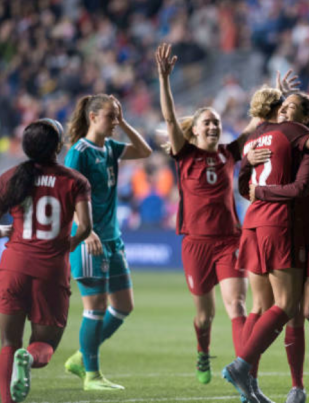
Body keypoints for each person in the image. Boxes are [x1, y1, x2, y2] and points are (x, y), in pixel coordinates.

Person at [223, 86, 309, 403]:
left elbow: (242, 184)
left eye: (293, 106)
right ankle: (245, 369)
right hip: (280, 223)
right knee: (290, 307)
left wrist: (249, 164)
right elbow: (299, 187)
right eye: (284, 104)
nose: (287, 110)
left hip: (263, 222)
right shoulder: (289, 134)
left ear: (308, 117)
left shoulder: (259, 137)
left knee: (271, 308)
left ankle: (262, 385)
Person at [156, 43, 261, 385]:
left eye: (216, 123)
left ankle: (245, 376)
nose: (214, 128)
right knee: (205, 316)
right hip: (195, 244)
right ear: (196, 130)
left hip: (230, 240)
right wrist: (164, 79)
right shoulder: (183, 154)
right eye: (208, 124)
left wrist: (272, 100)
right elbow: (170, 118)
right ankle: (203, 352)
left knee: (238, 307)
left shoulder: (230, 154)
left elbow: (253, 124)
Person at [63, 94, 152, 391]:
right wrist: (85, 231)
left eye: (117, 116)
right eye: (110, 116)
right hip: (90, 239)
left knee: (124, 305)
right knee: (96, 307)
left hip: (114, 239)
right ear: (92, 117)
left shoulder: (110, 148)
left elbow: (145, 150)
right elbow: (68, 197)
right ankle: (92, 375)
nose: (114, 121)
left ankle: (81, 356)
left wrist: (125, 122)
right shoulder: (79, 152)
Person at [0, 120, 93, 403]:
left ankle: (5, 400)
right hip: (51, 269)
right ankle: (27, 359)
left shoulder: (11, 176)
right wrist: (71, 244)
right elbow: (86, 227)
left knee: (7, 342)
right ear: (59, 146)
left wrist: (3, 231)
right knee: (45, 343)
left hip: (13, 265)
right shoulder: (75, 180)